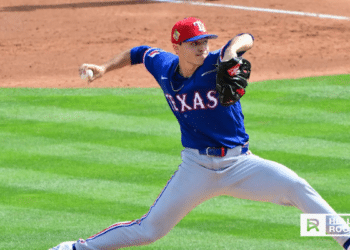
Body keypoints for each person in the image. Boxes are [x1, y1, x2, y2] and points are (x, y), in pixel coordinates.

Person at [50, 17, 350, 250]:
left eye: (204, 41)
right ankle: (75, 248)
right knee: (150, 230)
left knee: (297, 186)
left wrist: (232, 49)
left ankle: (346, 240)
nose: (202, 47)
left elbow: (247, 37)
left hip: (240, 165)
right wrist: (104, 68)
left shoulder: (216, 62)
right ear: (177, 47)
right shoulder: (165, 66)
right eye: (194, 43)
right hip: (196, 168)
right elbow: (139, 52)